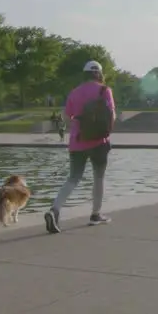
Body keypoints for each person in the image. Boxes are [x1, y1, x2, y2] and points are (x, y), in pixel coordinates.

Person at [44, 60, 116, 233]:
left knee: (73, 178)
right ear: (99, 74)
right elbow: (112, 115)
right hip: (99, 142)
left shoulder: (74, 92)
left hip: (78, 141)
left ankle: (54, 210)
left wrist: (78, 124)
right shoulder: (104, 90)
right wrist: (105, 131)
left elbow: (66, 117)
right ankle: (95, 215)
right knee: (98, 178)